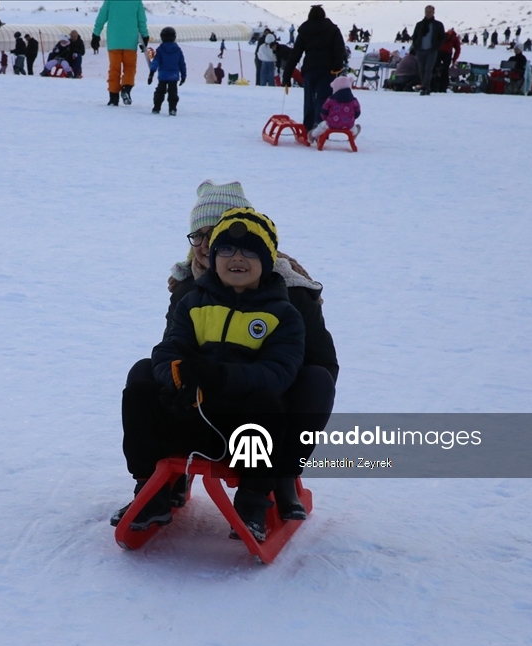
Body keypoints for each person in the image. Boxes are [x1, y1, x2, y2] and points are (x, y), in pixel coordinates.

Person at [114, 181, 337, 532]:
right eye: (198, 237)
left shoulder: (289, 298)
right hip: (200, 408)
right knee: (142, 377)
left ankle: (272, 482)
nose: (204, 246)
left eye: (212, 234)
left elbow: (302, 364)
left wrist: (230, 380)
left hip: (268, 407)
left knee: (308, 384)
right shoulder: (190, 293)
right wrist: (179, 377)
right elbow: (172, 346)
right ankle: (155, 486)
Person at [283, 5, 346, 132]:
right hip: (327, 70)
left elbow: (295, 54)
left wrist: (287, 75)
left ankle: (308, 128)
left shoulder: (305, 30)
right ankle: (321, 127)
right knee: (324, 99)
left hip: (310, 70)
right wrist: (337, 66)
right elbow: (339, 49)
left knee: (309, 100)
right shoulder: (332, 29)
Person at [92, 0, 149, 106]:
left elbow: (101, 16)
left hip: (114, 41)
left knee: (114, 68)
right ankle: (126, 88)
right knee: (130, 67)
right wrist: (144, 36)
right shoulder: (136, 2)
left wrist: (96, 34)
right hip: (130, 42)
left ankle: (113, 97)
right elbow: (142, 20)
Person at [309, 74, 360, 142]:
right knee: (353, 128)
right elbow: (358, 112)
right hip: (348, 124)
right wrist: (352, 117)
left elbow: (323, 111)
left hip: (331, 123)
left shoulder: (331, 99)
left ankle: (312, 135)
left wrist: (326, 119)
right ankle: (354, 133)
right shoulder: (353, 100)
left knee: (321, 126)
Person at [148, 26, 186, 115]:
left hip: (163, 76)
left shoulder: (160, 50)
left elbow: (156, 62)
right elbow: (182, 64)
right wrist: (183, 76)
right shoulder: (178, 50)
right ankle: (172, 109)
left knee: (160, 92)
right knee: (173, 92)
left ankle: (156, 108)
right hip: (174, 76)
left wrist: (151, 73)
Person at [411, 5, 445, 95]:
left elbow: (442, 37)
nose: (428, 13)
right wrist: (416, 47)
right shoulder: (420, 25)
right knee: (421, 69)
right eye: (427, 11)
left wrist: (437, 47)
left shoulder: (438, 25)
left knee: (428, 69)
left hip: (432, 50)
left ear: (433, 12)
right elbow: (415, 36)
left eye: (430, 12)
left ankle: (425, 87)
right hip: (420, 50)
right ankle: (426, 87)